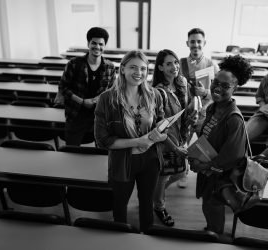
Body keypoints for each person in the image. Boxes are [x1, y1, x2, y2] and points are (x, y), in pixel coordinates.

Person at [94, 50, 167, 232]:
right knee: (120, 207)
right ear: (123, 69)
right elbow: (102, 141)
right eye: (133, 67)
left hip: (150, 160)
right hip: (122, 161)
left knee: (146, 205)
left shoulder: (154, 95)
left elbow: (161, 123)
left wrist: (161, 133)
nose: (139, 73)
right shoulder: (107, 99)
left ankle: (146, 238)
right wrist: (138, 141)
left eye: (143, 68)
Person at [189, 55, 253, 235]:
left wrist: (205, 165)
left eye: (225, 86)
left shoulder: (234, 119)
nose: (218, 88)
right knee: (207, 205)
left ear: (235, 88)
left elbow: (233, 156)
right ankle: (211, 229)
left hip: (220, 176)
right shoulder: (212, 108)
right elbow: (207, 138)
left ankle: (214, 236)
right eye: (216, 82)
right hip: (208, 171)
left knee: (213, 206)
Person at [152, 49, 192, 227]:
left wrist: (193, 114)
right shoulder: (157, 92)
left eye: (175, 62)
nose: (174, 66)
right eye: (168, 64)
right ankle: (158, 206)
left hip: (182, 136)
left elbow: (187, 108)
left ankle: (153, 194)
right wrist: (174, 146)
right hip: (165, 141)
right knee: (164, 175)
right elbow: (159, 126)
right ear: (160, 67)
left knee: (182, 172)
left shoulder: (182, 83)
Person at [60, 27, 116, 145]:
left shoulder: (110, 67)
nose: (97, 47)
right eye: (93, 43)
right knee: (71, 151)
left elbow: (111, 91)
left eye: (101, 44)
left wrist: (95, 100)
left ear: (104, 46)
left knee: (101, 153)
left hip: (100, 115)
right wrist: (82, 101)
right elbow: (63, 88)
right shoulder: (74, 64)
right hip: (76, 114)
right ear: (88, 44)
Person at [178, 27, 219, 188]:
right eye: (192, 41)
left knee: (204, 146)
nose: (196, 45)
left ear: (204, 43)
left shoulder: (212, 65)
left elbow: (220, 91)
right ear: (187, 43)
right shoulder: (180, 64)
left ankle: (204, 176)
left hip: (205, 113)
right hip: (186, 112)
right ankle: (182, 173)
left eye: (199, 41)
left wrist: (206, 91)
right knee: (182, 144)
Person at [245, 74, 268, 144]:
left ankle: (263, 155)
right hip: (264, 114)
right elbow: (259, 96)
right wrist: (263, 106)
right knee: (243, 137)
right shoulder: (267, 78)